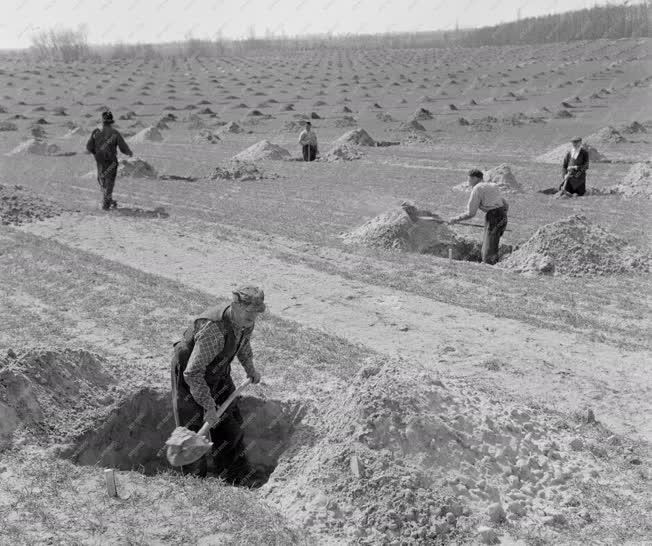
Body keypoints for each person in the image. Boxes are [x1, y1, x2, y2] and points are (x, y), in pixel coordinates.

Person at [170, 286, 265, 483]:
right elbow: (193, 372)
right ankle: (194, 481)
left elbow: (243, 345)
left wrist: (250, 369)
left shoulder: (246, 321)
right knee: (193, 427)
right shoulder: (214, 329)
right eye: (249, 311)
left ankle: (234, 475)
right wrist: (208, 405)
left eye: (257, 312)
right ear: (236, 305)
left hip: (218, 370)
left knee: (230, 423)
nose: (253, 317)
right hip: (191, 372)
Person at [448, 169, 509, 265]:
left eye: (469, 180)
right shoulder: (492, 185)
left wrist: (455, 219)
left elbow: (471, 213)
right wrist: (501, 216)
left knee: (488, 249)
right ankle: (493, 265)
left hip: (494, 217)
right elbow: (506, 205)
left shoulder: (477, 188)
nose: (468, 183)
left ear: (474, 178)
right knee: (493, 245)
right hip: (503, 216)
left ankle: (489, 268)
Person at [85, 110, 133, 210]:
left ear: (102, 120)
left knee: (102, 180)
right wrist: (129, 152)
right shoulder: (115, 133)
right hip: (111, 161)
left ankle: (107, 200)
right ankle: (107, 202)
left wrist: (95, 153)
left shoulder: (96, 131)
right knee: (109, 182)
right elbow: (123, 147)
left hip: (100, 161)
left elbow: (89, 147)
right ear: (111, 121)